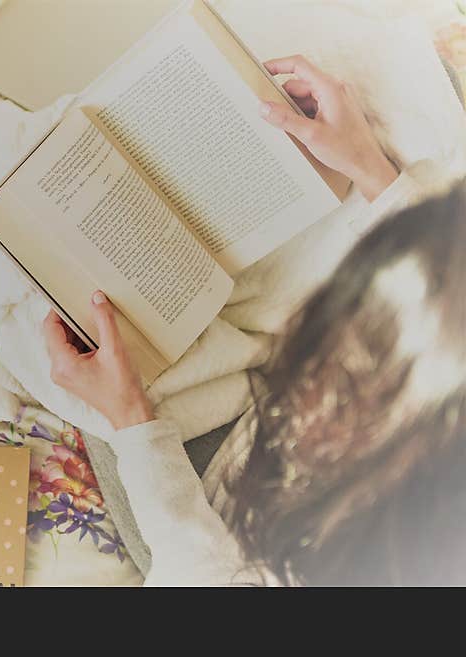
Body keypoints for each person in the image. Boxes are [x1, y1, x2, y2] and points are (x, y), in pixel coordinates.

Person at [42, 55, 466, 585]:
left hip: (212, 530)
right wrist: (371, 167)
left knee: (72, 369)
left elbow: (197, 568)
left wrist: (130, 418)